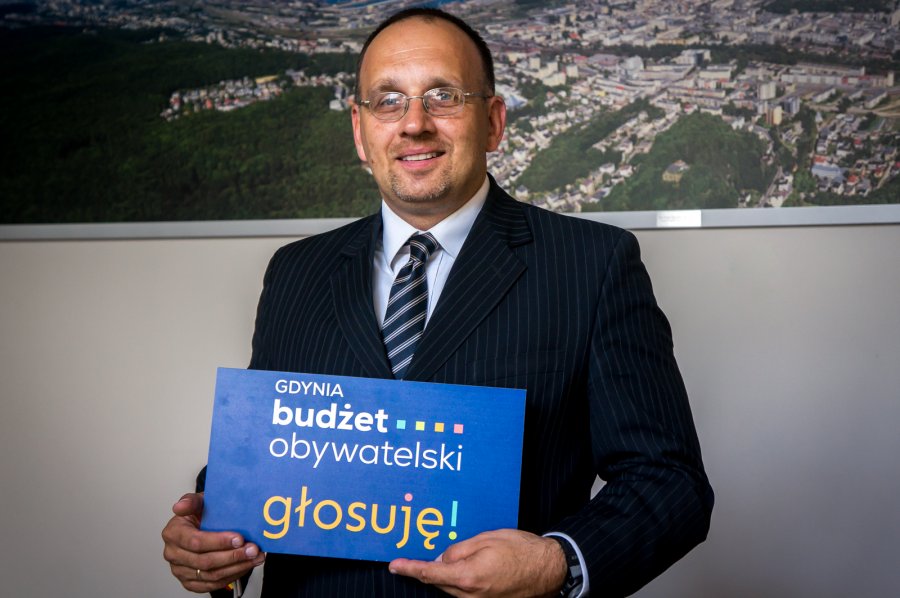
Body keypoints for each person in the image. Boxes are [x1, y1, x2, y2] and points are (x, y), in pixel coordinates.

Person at [162, 8, 713, 597]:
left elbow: (669, 481)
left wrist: (556, 562)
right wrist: (213, 536)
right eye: (388, 101)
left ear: (494, 122)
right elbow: (273, 446)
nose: (414, 124)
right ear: (360, 131)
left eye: (443, 96)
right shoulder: (295, 272)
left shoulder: (592, 265)